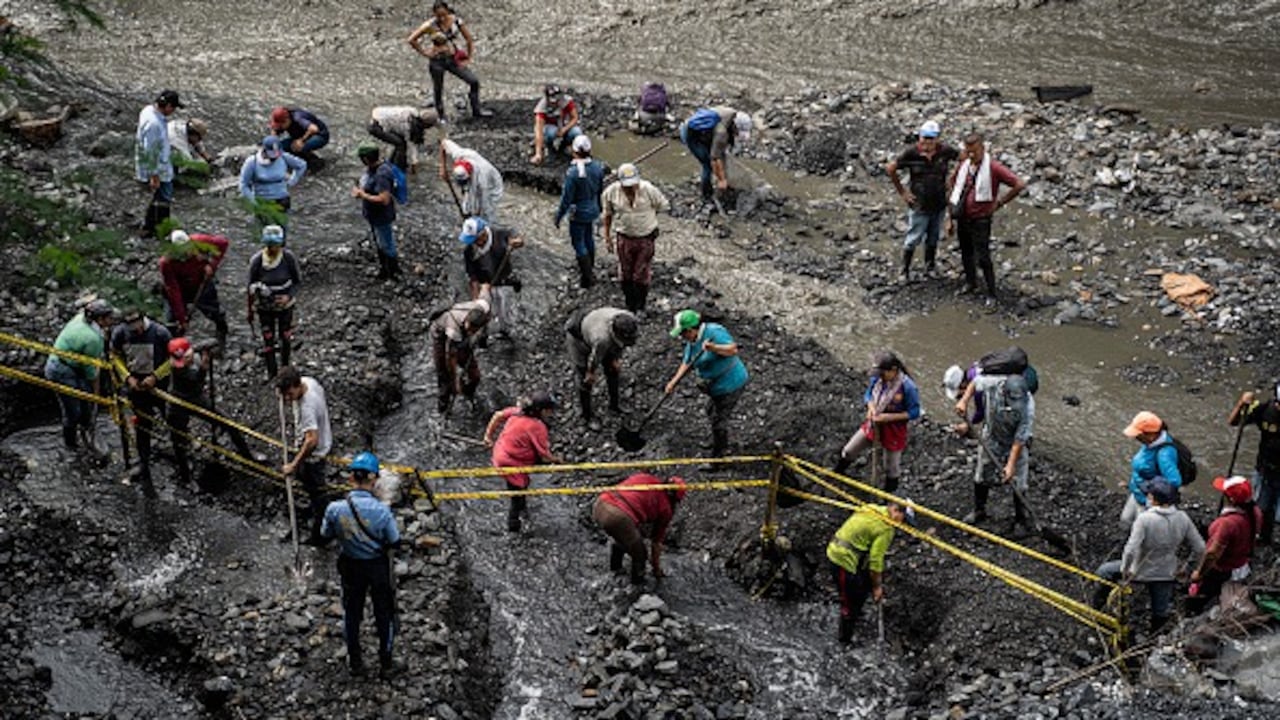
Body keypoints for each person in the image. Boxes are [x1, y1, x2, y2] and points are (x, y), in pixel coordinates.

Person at [320, 451, 402, 678]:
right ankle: (386, 663)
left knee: (352, 613)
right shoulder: (382, 512)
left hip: (350, 565)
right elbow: (395, 540)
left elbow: (325, 533)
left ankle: (355, 661)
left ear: (351, 478)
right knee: (383, 614)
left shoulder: (334, 509)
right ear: (374, 479)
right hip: (376, 567)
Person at [1092, 478, 1203, 633]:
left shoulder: (1144, 519)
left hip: (1139, 571)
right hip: (1167, 573)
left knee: (1104, 571)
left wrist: (1126, 571)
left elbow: (1130, 549)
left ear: (1154, 500)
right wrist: (1190, 567)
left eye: (1149, 496)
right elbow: (1200, 548)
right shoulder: (1183, 518)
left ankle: (1097, 610)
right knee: (1160, 611)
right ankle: (1155, 637)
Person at [165, 337, 257, 486]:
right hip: (179, 400)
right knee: (178, 438)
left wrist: (205, 357)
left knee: (227, 423)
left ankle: (248, 457)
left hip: (196, 396)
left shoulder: (192, 353)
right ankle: (185, 475)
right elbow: (197, 380)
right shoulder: (178, 368)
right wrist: (204, 365)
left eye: (187, 358)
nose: (185, 362)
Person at [946, 133, 1025, 301]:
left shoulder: (993, 168)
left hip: (981, 219)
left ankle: (991, 292)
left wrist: (1000, 203)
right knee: (966, 252)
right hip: (962, 217)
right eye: (968, 152)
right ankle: (971, 283)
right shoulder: (964, 166)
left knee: (983, 256)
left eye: (974, 151)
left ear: (983, 149)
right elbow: (952, 187)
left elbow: (1019, 184)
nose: (971, 155)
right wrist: (950, 218)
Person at [664, 309, 749, 459]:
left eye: (682, 333)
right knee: (710, 411)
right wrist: (673, 382)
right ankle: (719, 441)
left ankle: (719, 456)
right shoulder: (692, 341)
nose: (682, 337)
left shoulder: (715, 332)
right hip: (715, 387)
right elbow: (688, 362)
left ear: (690, 330)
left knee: (718, 420)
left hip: (731, 384)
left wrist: (714, 348)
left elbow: (732, 349)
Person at [833, 352, 921, 494]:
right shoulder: (878, 380)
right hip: (873, 425)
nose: (880, 376)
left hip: (894, 430)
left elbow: (915, 412)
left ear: (893, 370)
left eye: (883, 373)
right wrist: (871, 407)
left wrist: (887, 418)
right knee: (849, 451)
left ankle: (888, 498)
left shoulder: (908, 387)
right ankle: (836, 474)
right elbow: (868, 394)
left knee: (891, 468)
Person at [826, 502, 913, 643]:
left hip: (838, 547)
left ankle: (856, 613)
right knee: (848, 602)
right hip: (841, 559)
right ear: (896, 510)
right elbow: (875, 561)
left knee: (861, 585)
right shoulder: (886, 528)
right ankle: (844, 639)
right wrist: (877, 587)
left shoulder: (871, 507)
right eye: (903, 520)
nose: (901, 525)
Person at [958, 371, 1035, 529]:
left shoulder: (1028, 406)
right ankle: (979, 510)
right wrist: (964, 401)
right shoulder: (992, 384)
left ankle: (1021, 519)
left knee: (1019, 481)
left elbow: (1021, 437)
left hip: (1014, 441)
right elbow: (974, 383)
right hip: (992, 437)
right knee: (982, 475)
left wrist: (1010, 464)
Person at [110, 308, 174, 497]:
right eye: (130, 327)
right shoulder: (120, 333)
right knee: (142, 424)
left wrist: (156, 376)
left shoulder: (160, 333)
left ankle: (180, 452)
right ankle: (143, 464)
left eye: (137, 325)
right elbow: (114, 356)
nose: (134, 330)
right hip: (136, 386)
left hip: (159, 386)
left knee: (170, 418)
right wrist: (127, 377)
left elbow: (173, 359)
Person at [886, 120, 960, 282]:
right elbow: (891, 168)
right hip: (919, 203)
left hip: (939, 201)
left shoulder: (945, 151)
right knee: (913, 237)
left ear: (938, 138)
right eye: (925, 138)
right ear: (919, 137)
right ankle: (904, 270)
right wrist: (903, 192)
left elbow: (964, 158)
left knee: (933, 236)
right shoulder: (911, 153)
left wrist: (954, 177)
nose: (928, 142)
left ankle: (930, 266)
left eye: (931, 138)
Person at [483, 391, 562, 532]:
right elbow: (544, 457)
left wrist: (488, 437)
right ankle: (514, 528)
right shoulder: (537, 427)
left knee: (520, 487)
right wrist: (557, 461)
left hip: (501, 452)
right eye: (550, 410)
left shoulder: (517, 411)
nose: (551, 413)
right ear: (541, 410)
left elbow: (498, 416)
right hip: (511, 462)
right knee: (516, 498)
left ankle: (523, 505)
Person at [44, 299, 114, 451]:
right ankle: (71, 444)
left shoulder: (81, 319)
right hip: (61, 370)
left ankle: (87, 427)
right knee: (72, 410)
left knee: (85, 402)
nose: (112, 320)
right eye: (109, 317)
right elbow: (91, 373)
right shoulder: (92, 339)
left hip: (67, 363)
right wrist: (96, 395)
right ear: (100, 319)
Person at [1189, 475, 1263, 615]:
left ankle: (1194, 614)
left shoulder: (1226, 524)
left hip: (1223, 568)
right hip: (1242, 563)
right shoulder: (1255, 512)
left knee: (1200, 596)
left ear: (1230, 499)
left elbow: (1212, 554)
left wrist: (1199, 573)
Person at [593, 473, 686, 584]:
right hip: (617, 517)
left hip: (600, 504)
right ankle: (636, 587)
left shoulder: (645, 477)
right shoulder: (666, 509)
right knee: (640, 555)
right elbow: (656, 544)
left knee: (625, 538)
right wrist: (657, 570)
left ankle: (615, 571)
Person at [602, 163, 670, 314]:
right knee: (625, 274)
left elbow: (662, 205)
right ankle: (629, 304)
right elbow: (607, 215)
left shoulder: (648, 189)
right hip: (624, 238)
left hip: (646, 238)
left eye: (633, 184)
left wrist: (648, 220)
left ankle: (641, 306)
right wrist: (607, 237)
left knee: (641, 274)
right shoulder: (611, 192)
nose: (631, 187)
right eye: (627, 185)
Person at [407, 1, 490, 122]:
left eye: (444, 15)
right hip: (437, 61)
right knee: (438, 88)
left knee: (473, 81)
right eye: (438, 15)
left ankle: (476, 110)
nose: (441, 18)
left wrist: (468, 57)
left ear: (448, 11)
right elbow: (412, 39)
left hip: (452, 58)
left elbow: (469, 39)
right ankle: (441, 116)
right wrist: (425, 52)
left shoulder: (456, 21)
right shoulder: (430, 25)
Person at [277, 366, 333, 546]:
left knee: (318, 494)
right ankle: (311, 507)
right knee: (308, 483)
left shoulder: (307, 407)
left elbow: (311, 441)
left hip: (314, 455)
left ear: (297, 385)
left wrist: (293, 464)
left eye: (289, 394)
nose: (287, 398)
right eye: (284, 394)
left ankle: (320, 537)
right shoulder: (309, 382)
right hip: (318, 443)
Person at [565, 307, 639, 425]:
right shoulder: (602, 339)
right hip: (579, 339)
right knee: (585, 380)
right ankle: (587, 416)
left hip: (596, 328)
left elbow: (622, 345)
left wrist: (616, 359)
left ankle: (615, 406)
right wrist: (590, 373)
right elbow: (594, 359)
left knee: (613, 370)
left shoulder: (629, 318)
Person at [246, 225, 302, 380]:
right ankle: (271, 371)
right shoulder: (257, 261)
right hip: (264, 308)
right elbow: (249, 286)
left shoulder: (288, 258)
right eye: (269, 245)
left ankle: (285, 368)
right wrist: (249, 310)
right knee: (268, 338)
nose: (272, 249)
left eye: (275, 245)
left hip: (285, 307)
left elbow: (297, 282)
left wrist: (288, 296)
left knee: (285, 336)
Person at [159, 229, 230, 348]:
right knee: (171, 322)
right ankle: (174, 347)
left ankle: (222, 333)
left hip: (201, 283)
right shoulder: (166, 263)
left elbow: (223, 244)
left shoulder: (200, 241)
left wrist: (212, 265)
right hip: (180, 288)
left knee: (214, 312)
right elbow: (174, 291)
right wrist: (182, 318)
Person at [1228, 386, 1280, 547]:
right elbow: (1234, 422)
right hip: (1265, 468)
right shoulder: (1264, 409)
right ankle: (1262, 538)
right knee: (1261, 507)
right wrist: (1241, 403)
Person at [554, 135, 605, 289]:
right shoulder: (598, 167)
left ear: (574, 152)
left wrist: (558, 216)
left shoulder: (573, 173)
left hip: (578, 212)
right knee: (588, 237)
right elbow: (600, 190)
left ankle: (587, 277)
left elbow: (566, 198)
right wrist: (600, 207)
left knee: (578, 242)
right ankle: (591, 268)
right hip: (593, 209)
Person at [460, 218, 522, 338]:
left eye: (475, 240)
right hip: (485, 284)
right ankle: (483, 335)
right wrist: (476, 299)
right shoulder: (469, 251)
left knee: (503, 309)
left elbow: (517, 237)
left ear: (483, 235)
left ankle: (505, 330)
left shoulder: (499, 234)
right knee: (483, 311)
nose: (474, 243)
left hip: (504, 280)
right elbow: (473, 277)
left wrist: (516, 242)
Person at [1120, 411, 1183, 530]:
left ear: (1151, 434)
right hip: (1137, 491)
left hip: (1148, 501)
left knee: (1141, 531)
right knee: (1125, 520)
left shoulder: (1164, 453)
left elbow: (1174, 481)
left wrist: (1148, 490)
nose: (1135, 437)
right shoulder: (1151, 444)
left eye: (1138, 434)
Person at [429, 296, 491, 413]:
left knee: (475, 375)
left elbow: (486, 295)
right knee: (444, 377)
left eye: (474, 331)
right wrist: (455, 381)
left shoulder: (482, 306)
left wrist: (482, 338)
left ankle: (468, 393)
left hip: (461, 336)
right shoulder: (453, 329)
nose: (471, 332)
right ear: (467, 320)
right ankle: (443, 408)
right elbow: (450, 358)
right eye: (470, 328)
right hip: (441, 336)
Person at [679, 106, 752, 204]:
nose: (738, 134)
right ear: (735, 125)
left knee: (720, 156)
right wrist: (721, 180)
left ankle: (721, 182)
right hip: (691, 135)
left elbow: (723, 149)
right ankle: (706, 195)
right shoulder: (721, 133)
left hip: (704, 133)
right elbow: (714, 158)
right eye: (738, 132)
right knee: (707, 164)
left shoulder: (731, 114)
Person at [135, 89, 182, 238]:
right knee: (163, 198)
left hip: (159, 163)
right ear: (167, 105)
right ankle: (157, 229)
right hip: (157, 168)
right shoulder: (154, 124)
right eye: (173, 108)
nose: (173, 111)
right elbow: (150, 150)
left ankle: (151, 227)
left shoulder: (148, 110)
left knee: (159, 198)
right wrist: (154, 175)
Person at [353, 142, 402, 281]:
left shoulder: (382, 174)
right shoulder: (374, 168)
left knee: (386, 244)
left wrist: (362, 195)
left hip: (382, 216)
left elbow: (384, 199)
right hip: (373, 215)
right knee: (380, 242)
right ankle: (384, 269)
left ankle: (393, 272)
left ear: (366, 159)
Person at [239, 135, 307, 230]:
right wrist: (253, 202)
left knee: (281, 232)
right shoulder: (252, 162)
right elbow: (243, 185)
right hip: (263, 202)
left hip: (282, 200)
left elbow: (301, 165)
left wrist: (293, 180)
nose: (273, 158)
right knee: (266, 234)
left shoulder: (283, 157)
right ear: (264, 150)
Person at [440, 138, 504, 223]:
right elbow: (443, 143)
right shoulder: (460, 154)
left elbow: (482, 204)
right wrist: (443, 168)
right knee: (468, 204)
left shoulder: (482, 180)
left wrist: (475, 218)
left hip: (493, 184)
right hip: (476, 179)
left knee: (486, 212)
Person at [368, 105, 437, 172]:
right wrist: (414, 162)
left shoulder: (412, 112)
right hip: (376, 126)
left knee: (400, 143)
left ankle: (391, 164)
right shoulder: (409, 127)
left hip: (378, 115)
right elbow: (412, 145)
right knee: (400, 144)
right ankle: (397, 170)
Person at [530, 84, 582, 165]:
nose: (555, 103)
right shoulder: (541, 108)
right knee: (551, 132)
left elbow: (575, 118)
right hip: (550, 129)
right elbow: (538, 131)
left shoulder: (566, 101)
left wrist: (565, 129)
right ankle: (550, 148)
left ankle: (564, 146)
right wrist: (538, 154)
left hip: (564, 126)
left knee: (577, 132)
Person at [943, 363, 984, 438]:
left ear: (963, 384)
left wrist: (967, 425)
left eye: (959, 394)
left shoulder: (979, 387)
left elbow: (981, 413)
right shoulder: (974, 368)